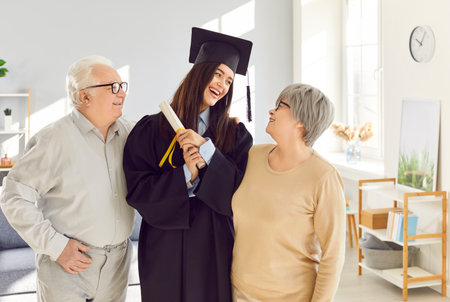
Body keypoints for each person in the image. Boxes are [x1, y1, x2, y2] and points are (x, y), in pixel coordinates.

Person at [123, 27, 253, 302]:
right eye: (218, 74)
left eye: (229, 80)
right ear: (200, 73)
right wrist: (186, 174)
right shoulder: (152, 128)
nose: (222, 84)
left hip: (213, 243)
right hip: (164, 244)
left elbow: (239, 193)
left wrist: (207, 151)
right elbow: (137, 191)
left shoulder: (235, 135)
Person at [0, 55, 135, 302]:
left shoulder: (130, 133)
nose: (122, 93)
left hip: (117, 266)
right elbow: (13, 196)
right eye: (113, 87)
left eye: (122, 85)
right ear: (85, 96)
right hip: (66, 267)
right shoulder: (54, 139)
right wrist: (56, 247)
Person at [231, 83, 346, 302]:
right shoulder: (253, 156)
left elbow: (333, 256)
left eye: (280, 106)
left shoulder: (323, 177)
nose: (271, 111)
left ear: (301, 121)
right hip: (238, 292)